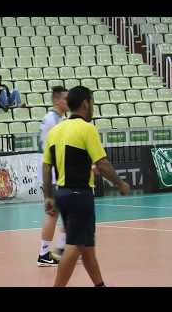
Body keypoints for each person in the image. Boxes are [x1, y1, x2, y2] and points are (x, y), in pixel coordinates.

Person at [42, 86, 130, 287]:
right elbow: (102, 163)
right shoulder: (87, 128)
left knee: (87, 247)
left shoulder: (55, 131)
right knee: (75, 246)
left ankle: (100, 284)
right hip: (79, 194)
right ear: (85, 104)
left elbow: (46, 167)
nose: (93, 107)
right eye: (92, 102)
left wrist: (48, 196)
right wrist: (120, 183)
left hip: (62, 194)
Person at [36, 86, 69, 267]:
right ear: (57, 100)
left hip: (55, 170)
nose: (68, 102)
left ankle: (62, 249)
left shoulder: (57, 118)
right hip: (53, 171)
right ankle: (44, 253)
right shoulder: (53, 119)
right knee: (53, 212)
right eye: (65, 99)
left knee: (64, 212)